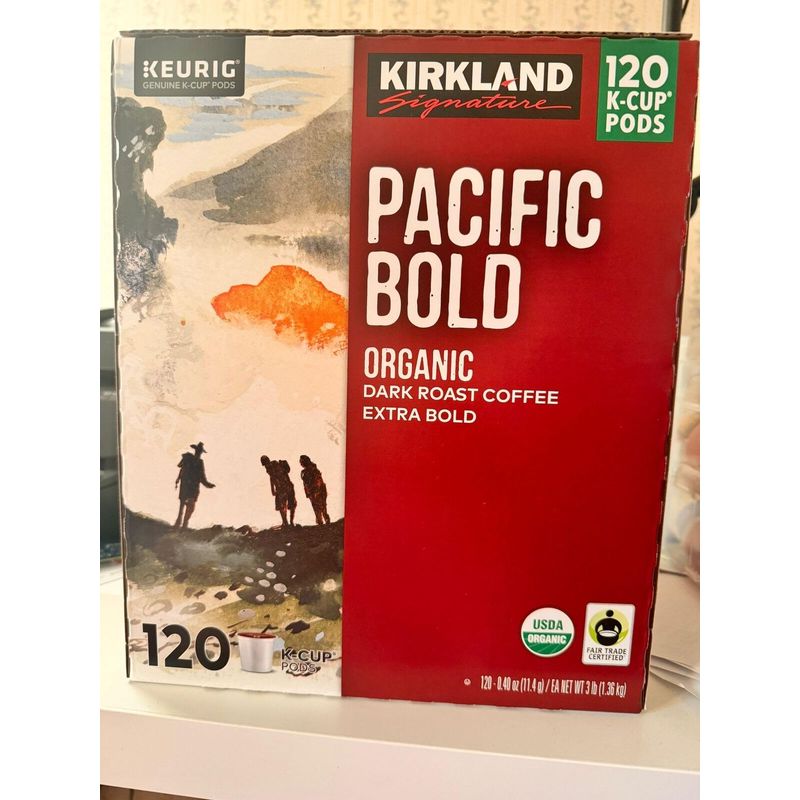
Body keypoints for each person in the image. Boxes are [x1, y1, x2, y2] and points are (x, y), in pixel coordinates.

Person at [174, 442, 215, 529]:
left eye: (200, 451)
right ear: (196, 450)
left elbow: (202, 476)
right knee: (184, 506)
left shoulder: (198, 461)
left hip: (191, 486)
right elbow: (180, 466)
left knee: (188, 506)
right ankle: (180, 525)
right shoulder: (189, 458)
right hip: (187, 485)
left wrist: (208, 484)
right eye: (198, 451)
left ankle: (183, 525)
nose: (199, 453)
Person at [260, 455, 297, 528]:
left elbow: (273, 477)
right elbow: (272, 478)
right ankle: (288, 522)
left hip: (283, 488)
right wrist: (273, 489)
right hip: (285, 487)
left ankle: (288, 522)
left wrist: (273, 489)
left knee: (286, 505)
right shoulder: (272, 466)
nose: (265, 466)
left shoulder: (273, 466)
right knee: (287, 505)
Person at [300, 455, 330, 525]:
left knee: (321, 507)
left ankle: (324, 521)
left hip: (318, 491)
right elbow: (305, 483)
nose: (300, 463)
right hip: (312, 492)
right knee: (317, 507)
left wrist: (316, 491)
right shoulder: (305, 471)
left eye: (301, 461)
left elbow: (318, 481)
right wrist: (308, 493)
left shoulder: (313, 469)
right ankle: (320, 522)